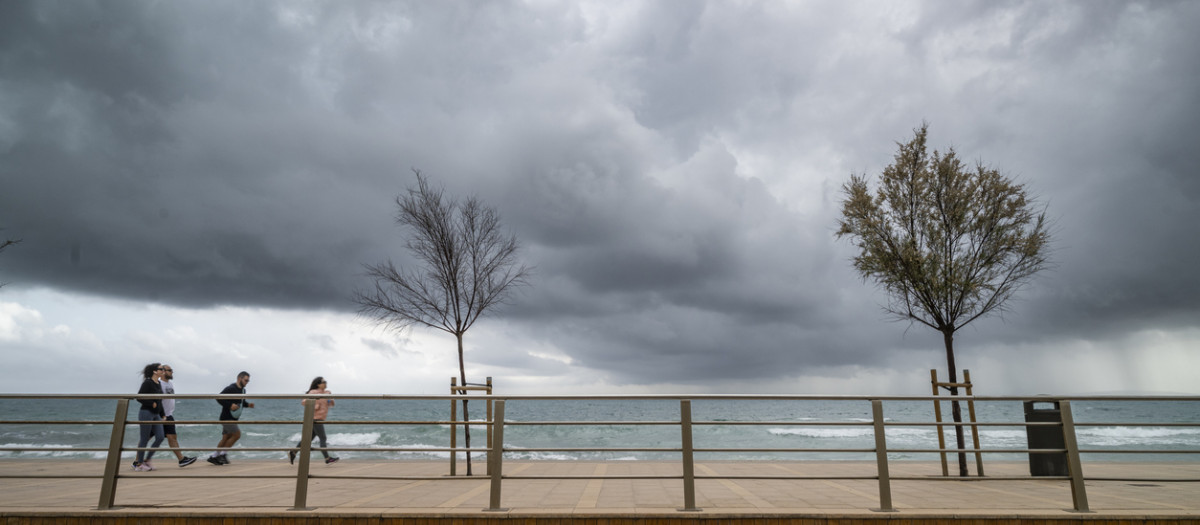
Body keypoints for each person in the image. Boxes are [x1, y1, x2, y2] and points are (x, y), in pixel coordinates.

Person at [288, 377, 339, 465]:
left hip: (320, 418)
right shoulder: (313, 392)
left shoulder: (328, 392)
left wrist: (330, 399)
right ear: (318, 384)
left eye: (326, 382)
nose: (326, 383)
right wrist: (316, 403)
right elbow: (304, 402)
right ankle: (327, 458)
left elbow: (331, 404)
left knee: (308, 439)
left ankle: (293, 452)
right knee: (323, 438)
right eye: (324, 382)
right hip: (314, 418)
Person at [208, 371, 254, 466]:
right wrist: (229, 405)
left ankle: (214, 456)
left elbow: (241, 402)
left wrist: (248, 405)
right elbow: (218, 397)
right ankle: (223, 454)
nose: (247, 382)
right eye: (246, 380)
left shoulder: (243, 391)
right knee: (237, 435)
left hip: (233, 418)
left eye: (248, 381)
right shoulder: (231, 388)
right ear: (239, 378)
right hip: (226, 417)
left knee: (226, 438)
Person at [159, 365, 198, 467]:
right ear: (163, 372)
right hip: (160, 416)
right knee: (147, 438)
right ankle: (138, 460)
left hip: (169, 415)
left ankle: (181, 459)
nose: (172, 372)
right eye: (170, 370)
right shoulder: (159, 384)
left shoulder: (170, 384)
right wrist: (161, 414)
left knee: (173, 437)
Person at [132, 363, 166, 471]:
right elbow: (139, 397)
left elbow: (160, 400)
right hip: (146, 412)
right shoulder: (147, 382)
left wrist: (162, 414)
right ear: (155, 371)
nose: (163, 370)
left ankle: (147, 460)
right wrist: (151, 403)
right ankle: (139, 464)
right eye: (161, 369)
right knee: (144, 438)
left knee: (160, 437)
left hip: (156, 414)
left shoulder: (158, 383)